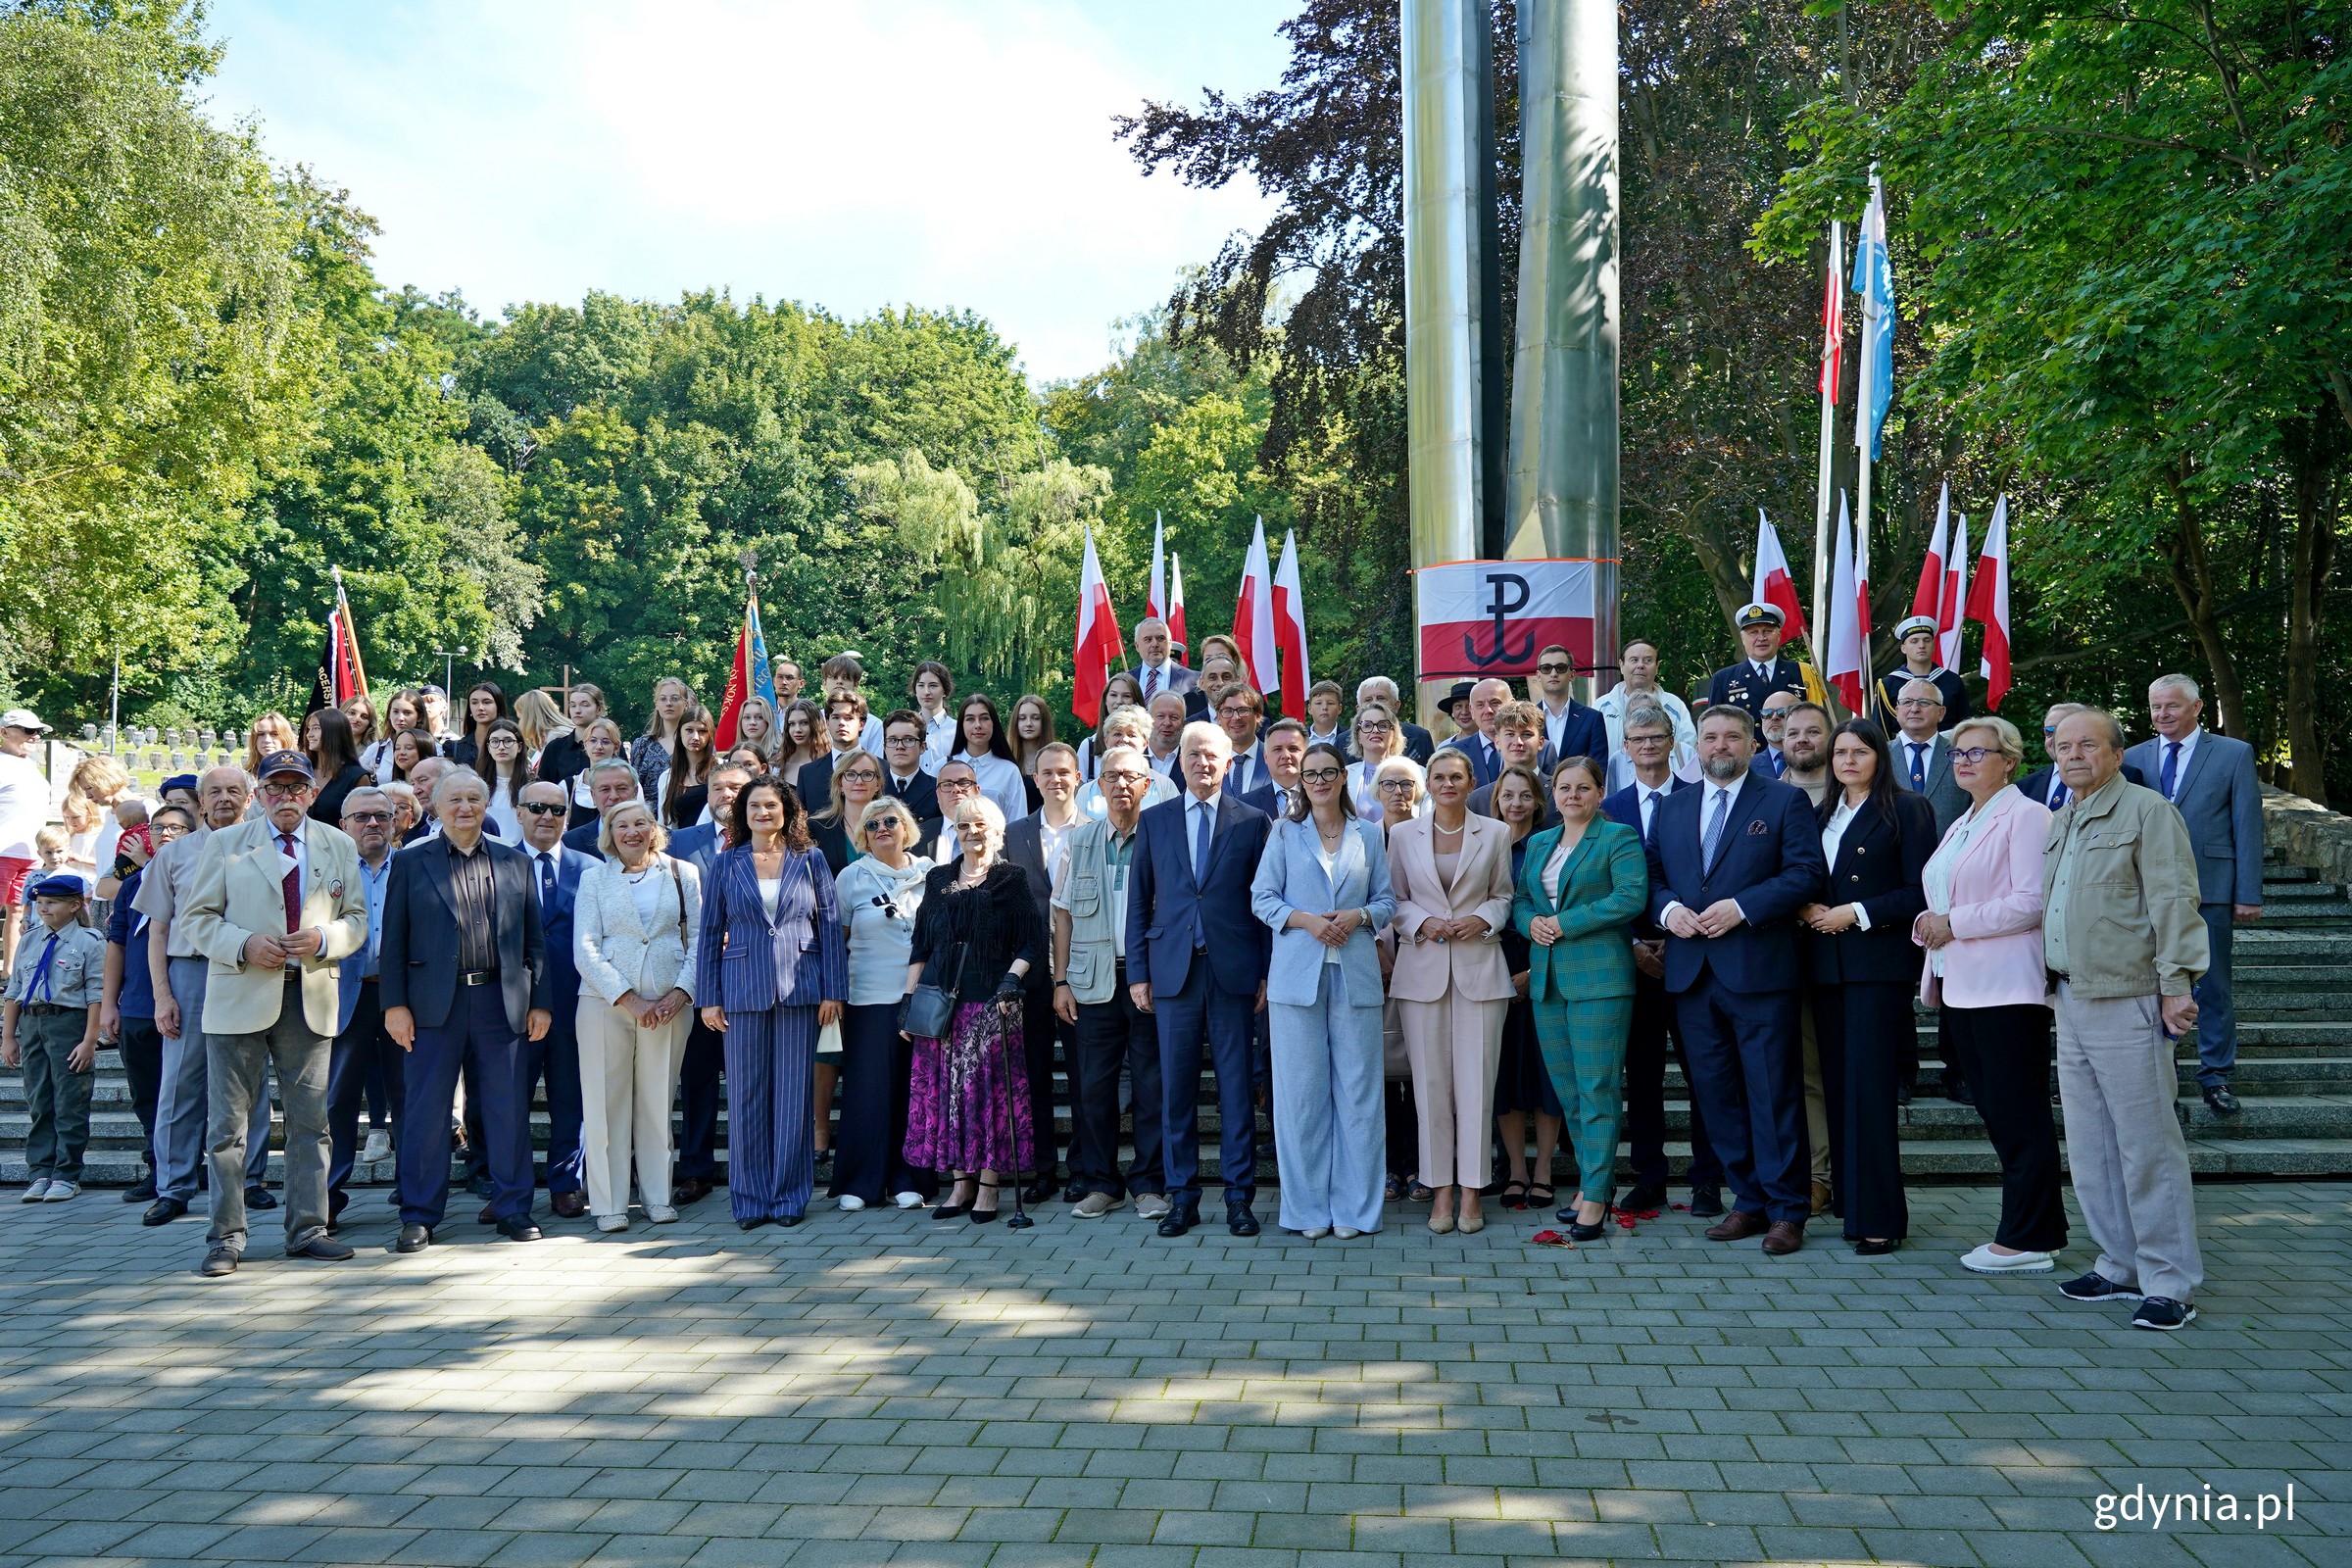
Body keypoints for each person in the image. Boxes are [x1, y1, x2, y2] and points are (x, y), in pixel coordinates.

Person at [2042, 708, 2209, 1331]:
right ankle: (2119, 1264)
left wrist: (2176, 987)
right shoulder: (2064, 819)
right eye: (2064, 747)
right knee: (2092, 1147)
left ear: (2116, 753)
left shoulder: (2148, 811)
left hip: (2131, 996)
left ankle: (2169, 1280)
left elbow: (2173, 900)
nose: (2074, 755)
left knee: (2147, 1147)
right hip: (2071, 997)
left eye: (2088, 745)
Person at [176, 750, 368, 1277]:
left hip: (308, 999)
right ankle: (225, 1237)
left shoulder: (339, 844)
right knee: (227, 1128)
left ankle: (308, 1229)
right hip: (240, 994)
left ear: (311, 793)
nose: (287, 797)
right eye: (275, 788)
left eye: (296, 788)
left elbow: (356, 917)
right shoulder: (225, 844)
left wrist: (325, 937)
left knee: (312, 1123)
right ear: (259, 795)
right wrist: (242, 944)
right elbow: (195, 918)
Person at [1646, 706, 1827, 1255]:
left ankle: (1787, 1210)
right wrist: (1667, 909)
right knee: (1716, 1097)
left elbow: (1805, 873)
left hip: (1758, 971)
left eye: (1731, 737)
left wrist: (1743, 907)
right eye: (1710, 738)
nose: (1720, 746)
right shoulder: (1674, 807)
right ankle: (1746, 1202)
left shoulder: (1783, 799)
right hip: (1691, 974)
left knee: (1773, 1094)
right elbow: (1652, 874)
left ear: (1752, 745)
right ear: (1694, 746)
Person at [1912, 715, 2065, 1276]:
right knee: (1997, 1111)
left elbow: (2032, 901)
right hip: (1961, 985)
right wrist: (1932, 924)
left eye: (1979, 753)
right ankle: (2034, 1229)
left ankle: (2028, 1237)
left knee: (2018, 1112)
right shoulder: (1963, 822)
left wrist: (1955, 922)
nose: (1965, 761)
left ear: (2010, 760)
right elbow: (1940, 897)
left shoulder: (2026, 816)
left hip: (2006, 988)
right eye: (1958, 754)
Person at [380, 771, 554, 1252]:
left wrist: (540, 1002)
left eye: (474, 799)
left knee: (507, 1110)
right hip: (433, 1006)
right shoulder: (411, 863)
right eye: (454, 799)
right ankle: (419, 1214)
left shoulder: (514, 862)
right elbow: (392, 941)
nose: (465, 807)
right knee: (425, 1113)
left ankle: (514, 1207)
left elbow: (534, 942)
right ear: (434, 806)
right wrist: (394, 1005)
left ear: (487, 806)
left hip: (502, 1002)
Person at [1126, 721, 1274, 1238]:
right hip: (1172, 972)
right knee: (1176, 1090)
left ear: (1228, 763)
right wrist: (1138, 972)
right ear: (1180, 761)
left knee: (1235, 1088)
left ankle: (1239, 1198)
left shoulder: (1253, 821)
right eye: (1194, 755)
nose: (1202, 763)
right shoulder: (1155, 820)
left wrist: (1265, 972)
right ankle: (1182, 1197)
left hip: (1233, 972)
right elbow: (1138, 900)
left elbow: (1264, 903)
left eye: (1212, 756)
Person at [1249, 741, 1396, 1239]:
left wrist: (1360, 916)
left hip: (1354, 975)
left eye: (1327, 772)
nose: (1318, 781)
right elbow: (1261, 898)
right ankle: (1308, 1211)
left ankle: (1356, 1210)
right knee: (1302, 1098)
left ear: (1341, 777)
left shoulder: (1369, 833)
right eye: (1309, 774)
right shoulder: (1284, 833)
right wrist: (1307, 920)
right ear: (1301, 781)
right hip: (1297, 979)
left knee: (1359, 1096)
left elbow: (1386, 901)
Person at [1797, 719, 1934, 1255]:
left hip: (1875, 967)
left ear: (1880, 756)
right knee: (1837, 1091)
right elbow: (1804, 877)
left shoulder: (1907, 808)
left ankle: (1881, 1216)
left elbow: (1919, 890)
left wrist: (1854, 913)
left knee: (1871, 1091)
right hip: (1824, 969)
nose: (1848, 761)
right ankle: (1853, 1204)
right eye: (1840, 752)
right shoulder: (1819, 815)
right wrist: (1805, 905)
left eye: (1860, 751)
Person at [696, 777, 846, 1229]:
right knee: (745, 1098)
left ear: (787, 811)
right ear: (743, 813)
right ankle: (749, 1199)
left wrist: (834, 991)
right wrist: (708, 998)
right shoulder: (726, 863)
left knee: (793, 1099)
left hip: (801, 990)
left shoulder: (811, 859)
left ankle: (788, 1198)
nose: (763, 812)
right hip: (741, 990)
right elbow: (707, 935)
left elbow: (831, 927)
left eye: (771, 805)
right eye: (754, 805)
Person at [1516, 755, 1649, 1240]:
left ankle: (1595, 1194)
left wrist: (1563, 923)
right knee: (1571, 1094)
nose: (1572, 795)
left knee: (1597, 1090)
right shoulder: (1540, 842)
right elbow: (1522, 900)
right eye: (1564, 788)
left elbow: (1630, 897)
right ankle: (1596, 1183)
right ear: (1553, 795)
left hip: (1599, 980)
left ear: (1599, 793)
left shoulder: (1618, 837)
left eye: (1582, 788)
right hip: (1548, 981)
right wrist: (1529, 922)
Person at [133, 767, 272, 1225]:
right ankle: (173, 1186)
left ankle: (250, 1180)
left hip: (247, 970)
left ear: (250, 797)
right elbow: (156, 931)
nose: (225, 798)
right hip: (190, 974)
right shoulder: (175, 855)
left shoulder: (269, 844)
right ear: (200, 800)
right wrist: (161, 996)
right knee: (179, 1084)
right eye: (215, 791)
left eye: (235, 790)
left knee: (248, 1079)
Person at [1387, 747, 1515, 1234]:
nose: (1446, 784)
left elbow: (1504, 895)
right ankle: (1440, 1191)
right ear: (1427, 783)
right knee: (1431, 1091)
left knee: (1476, 1090)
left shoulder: (1496, 832)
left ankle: (1472, 1194)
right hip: (1422, 972)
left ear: (1469, 781)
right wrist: (1424, 923)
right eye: (1438, 776)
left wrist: (1481, 918)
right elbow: (1393, 899)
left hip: (1480, 969)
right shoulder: (1401, 834)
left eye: (1456, 776)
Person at [897, 796, 1042, 1223]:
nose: (972, 833)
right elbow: (921, 943)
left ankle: (990, 1184)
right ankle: (961, 1183)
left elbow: (1032, 940)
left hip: (992, 1001)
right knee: (946, 1093)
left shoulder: (1010, 879)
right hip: (939, 1004)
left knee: (986, 1095)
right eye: (963, 826)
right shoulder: (939, 877)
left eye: (980, 825)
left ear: (997, 831)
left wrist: (1011, 981)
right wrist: (908, 1001)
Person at [2126, 673, 2264, 1116]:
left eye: (2172, 706)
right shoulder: (2132, 757)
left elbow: (2247, 825)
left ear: (2197, 707)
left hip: (2211, 888)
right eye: (2155, 707)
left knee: (2213, 984)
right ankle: (2155, 1074)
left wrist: (2248, 893)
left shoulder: (2233, 754)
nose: (2162, 715)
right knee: (2148, 983)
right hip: (2145, 889)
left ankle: (2215, 1076)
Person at [1600, 703, 1714, 1215]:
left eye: (1656, 737)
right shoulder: (1609, 807)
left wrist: (1679, 936)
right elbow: (1598, 885)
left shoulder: (1702, 801)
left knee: (1702, 1072)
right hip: (1631, 958)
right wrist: (1634, 944)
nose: (1647, 746)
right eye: (1637, 738)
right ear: (1625, 746)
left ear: (1673, 742)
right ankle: (1650, 1175)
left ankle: (1708, 1178)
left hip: (1692, 953)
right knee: (1641, 1076)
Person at [570, 800, 700, 1232]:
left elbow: (699, 938)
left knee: (657, 1099)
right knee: (605, 1104)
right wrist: (629, 998)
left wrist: (682, 992)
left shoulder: (683, 873)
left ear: (653, 829)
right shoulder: (593, 878)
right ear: (610, 832)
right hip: (605, 1003)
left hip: (669, 1004)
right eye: (621, 825)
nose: (631, 832)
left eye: (640, 823)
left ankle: (657, 1196)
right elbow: (585, 947)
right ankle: (608, 1204)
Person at [1053, 746, 1168, 1221]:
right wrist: (1060, 982)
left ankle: (1148, 1184)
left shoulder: (1163, 838)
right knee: (1093, 1089)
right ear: (1097, 786)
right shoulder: (1078, 841)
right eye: (1111, 777)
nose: (1121, 785)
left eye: (1131, 777)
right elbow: (1060, 915)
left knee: (1151, 1085)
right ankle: (1103, 1184)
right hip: (1091, 981)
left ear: (1147, 784)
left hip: (1149, 982)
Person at [830, 797, 933, 1211]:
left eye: (891, 821)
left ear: (906, 827)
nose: (883, 829)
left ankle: (908, 1177)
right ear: (863, 837)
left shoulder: (933, 875)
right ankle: (861, 1181)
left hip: (923, 998)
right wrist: (833, 995)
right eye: (873, 825)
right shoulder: (851, 877)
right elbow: (837, 942)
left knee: (914, 1090)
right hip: (868, 998)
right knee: (868, 1091)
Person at [665, 760, 753, 1206]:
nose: (726, 795)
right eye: (718, 787)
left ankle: (750, 1168)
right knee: (697, 1080)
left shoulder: (770, 844)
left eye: (737, 787)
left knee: (750, 1082)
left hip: (754, 982)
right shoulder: (680, 843)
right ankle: (695, 1170)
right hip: (697, 983)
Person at [1002, 742, 1084, 1202]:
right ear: (1035, 780)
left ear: (1077, 777)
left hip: (1083, 970)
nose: (1055, 779)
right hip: (1028, 969)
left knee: (1081, 1073)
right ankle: (1041, 1170)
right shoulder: (1014, 833)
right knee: (1031, 1075)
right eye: (1046, 772)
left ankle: (1082, 1167)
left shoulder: (1095, 830)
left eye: (1063, 772)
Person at [102, 804, 195, 1202]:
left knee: (189, 1091)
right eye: (159, 828)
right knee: (146, 1092)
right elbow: (116, 945)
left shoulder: (203, 876)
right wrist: (109, 1004)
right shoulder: (132, 884)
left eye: (177, 827)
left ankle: (190, 1166)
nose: (167, 834)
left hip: (189, 1000)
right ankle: (157, 1167)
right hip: (138, 1005)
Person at [1485, 764, 1560, 1212]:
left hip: (1545, 967)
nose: (1515, 804)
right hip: (1492, 969)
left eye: (1524, 796)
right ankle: (1514, 1169)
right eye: (1507, 795)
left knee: (1547, 1077)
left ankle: (1545, 1170)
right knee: (1505, 1079)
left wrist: (1534, 972)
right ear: (1497, 799)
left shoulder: (1551, 846)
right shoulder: (1486, 843)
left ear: (1537, 801)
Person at [513, 780, 588, 1218]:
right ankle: (510, 1186)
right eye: (537, 807)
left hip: (574, 1002)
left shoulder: (591, 867)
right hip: (511, 1004)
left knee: (569, 1098)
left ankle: (565, 1184)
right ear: (519, 811)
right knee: (507, 1098)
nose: (547, 816)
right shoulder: (498, 863)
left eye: (557, 810)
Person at [324, 788, 401, 1223]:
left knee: (409, 1097)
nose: (372, 824)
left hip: (399, 997)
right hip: (342, 995)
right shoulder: (327, 871)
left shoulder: (412, 867)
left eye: (381, 817)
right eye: (361, 817)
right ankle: (327, 1198)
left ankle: (413, 1190)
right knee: (337, 1101)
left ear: (395, 822)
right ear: (344, 825)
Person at [5, 874, 105, 1202]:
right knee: (39, 1100)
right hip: (32, 1024)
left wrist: (90, 1040)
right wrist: (9, 1036)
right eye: (39, 902)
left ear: (74, 905)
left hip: (69, 1023)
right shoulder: (31, 940)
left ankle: (66, 1173)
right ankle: (40, 1171)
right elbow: (15, 992)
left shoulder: (90, 941)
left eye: (52, 902)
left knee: (70, 1100)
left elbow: (96, 995)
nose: (43, 908)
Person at [2018, 702, 2148, 808]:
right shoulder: (2025, 786)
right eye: (2049, 731)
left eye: (2065, 728)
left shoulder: (2130, 779)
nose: (2055, 738)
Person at [1889, 679, 1970, 836]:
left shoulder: (1962, 755)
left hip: (1949, 855)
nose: (1914, 709)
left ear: (1941, 713)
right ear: (1897, 710)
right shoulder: (1878, 755)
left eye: (1924, 702)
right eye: (1907, 702)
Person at [1596, 638, 1698, 760]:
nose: (1640, 665)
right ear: (1622, 665)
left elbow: (1689, 751)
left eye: (1647, 660)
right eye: (1634, 660)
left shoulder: (1675, 705)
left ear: (1657, 666)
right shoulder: (1602, 706)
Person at [1705, 603, 1808, 715]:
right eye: (1753, 632)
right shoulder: (1723, 679)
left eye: (1768, 631)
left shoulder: (1801, 673)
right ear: (1742, 638)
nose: (1761, 638)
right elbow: (1714, 726)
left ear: (1779, 635)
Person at [1074, 707, 1177, 820]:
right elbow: (1078, 834)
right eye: (1117, 734)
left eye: (1132, 735)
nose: (1124, 740)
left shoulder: (1165, 786)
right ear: (1106, 741)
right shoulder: (1086, 792)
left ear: (1145, 743)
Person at [946, 695, 1032, 823]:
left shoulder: (1009, 771)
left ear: (994, 723)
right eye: (970, 719)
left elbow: (1018, 822)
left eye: (984, 718)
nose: (977, 725)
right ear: (961, 725)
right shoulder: (943, 767)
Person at [1468, 703, 1556, 826]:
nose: (1518, 742)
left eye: (1526, 734)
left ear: (1541, 742)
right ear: (1497, 742)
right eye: (1510, 734)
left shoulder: (1559, 793)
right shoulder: (1477, 800)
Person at [1877, 613, 1971, 723]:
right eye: (1914, 641)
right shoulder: (1889, 684)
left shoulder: (1951, 681)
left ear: (1933, 646)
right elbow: (1880, 730)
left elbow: (1965, 724)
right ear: (1903, 648)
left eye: (1926, 640)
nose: (1921, 645)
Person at [1526, 645, 1608, 762]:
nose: (1553, 673)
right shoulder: (1526, 719)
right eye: (1546, 668)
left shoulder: (1592, 719)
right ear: (1538, 675)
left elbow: (1598, 769)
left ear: (1572, 675)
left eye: (1560, 668)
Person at [794, 690, 873, 812]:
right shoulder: (808, 773)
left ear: (861, 724)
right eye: (836, 717)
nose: (841, 723)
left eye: (849, 718)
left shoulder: (882, 769)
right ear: (827, 723)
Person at [809, 748, 886, 875]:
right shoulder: (816, 828)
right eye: (851, 774)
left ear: (878, 784)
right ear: (840, 784)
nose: (859, 782)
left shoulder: (890, 826)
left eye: (867, 774)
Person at [654, 704, 717, 831]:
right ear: (680, 733)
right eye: (689, 730)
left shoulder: (722, 769)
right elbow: (665, 825)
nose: (695, 737)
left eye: (702, 731)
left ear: (710, 734)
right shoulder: (667, 777)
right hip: (682, 845)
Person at [632, 676, 695, 804]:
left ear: (686, 704)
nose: (668, 703)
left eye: (675, 698)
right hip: (649, 818)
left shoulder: (696, 741)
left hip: (689, 816)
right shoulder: (642, 745)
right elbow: (633, 786)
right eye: (663, 699)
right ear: (656, 704)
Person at [1440, 678, 1513, 786]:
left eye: (1495, 703)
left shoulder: (1538, 750)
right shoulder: (1450, 754)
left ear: (1512, 705)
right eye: (1480, 705)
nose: (1488, 710)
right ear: (1472, 710)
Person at [301, 710, 368, 827]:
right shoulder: (302, 772)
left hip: (338, 843)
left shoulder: (356, 777)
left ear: (334, 732)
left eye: (316, 728)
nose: (309, 735)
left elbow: (363, 822)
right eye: (309, 729)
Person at [564, 760, 644, 858]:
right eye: (605, 789)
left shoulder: (662, 839)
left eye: (622, 788)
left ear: (635, 792)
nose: (613, 796)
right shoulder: (570, 843)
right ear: (593, 796)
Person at [815, 652, 889, 756]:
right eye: (834, 677)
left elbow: (876, 764)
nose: (839, 682)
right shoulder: (815, 720)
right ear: (824, 682)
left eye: (846, 678)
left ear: (856, 684)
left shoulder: (873, 725)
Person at [533, 683, 606, 786]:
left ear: (599, 709)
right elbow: (543, 785)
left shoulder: (610, 745)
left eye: (585, 705)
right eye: (573, 705)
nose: (577, 710)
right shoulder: (555, 747)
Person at [1075, 674, 1146, 779]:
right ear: (1105, 700)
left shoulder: (1148, 745)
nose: (1119, 701)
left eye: (1126, 696)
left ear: (1136, 702)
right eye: (1113, 695)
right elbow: (1079, 792)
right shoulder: (1089, 746)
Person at [473, 716, 532, 842]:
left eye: (508, 741)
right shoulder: (476, 785)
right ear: (488, 747)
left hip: (519, 855)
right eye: (495, 741)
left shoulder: (532, 786)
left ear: (520, 746)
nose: (501, 747)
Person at [564, 717, 629, 831]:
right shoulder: (568, 785)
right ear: (585, 745)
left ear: (616, 746)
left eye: (605, 742)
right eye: (593, 741)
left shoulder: (630, 784)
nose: (599, 746)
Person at [1346, 702, 1407, 821]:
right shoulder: (1344, 776)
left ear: (1393, 734)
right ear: (1358, 736)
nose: (1375, 730)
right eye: (1367, 726)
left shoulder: (1416, 773)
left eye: (1383, 725)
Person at [1238, 717, 1308, 820]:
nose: (1286, 755)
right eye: (1277, 749)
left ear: (1306, 754)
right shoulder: (1246, 804)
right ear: (1266, 757)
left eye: (1293, 748)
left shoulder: (1322, 796)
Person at [1354, 676, 1437, 764]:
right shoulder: (1342, 741)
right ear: (1358, 709)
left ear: (1396, 705)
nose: (1375, 703)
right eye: (1368, 700)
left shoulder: (1420, 736)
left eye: (1381, 698)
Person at [1128, 617, 1200, 710]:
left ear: (1170, 643)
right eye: (1148, 639)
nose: (1154, 644)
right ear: (1137, 646)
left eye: (1160, 638)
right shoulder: (1126, 680)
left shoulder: (1194, 680)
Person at [1216, 686, 1273, 796]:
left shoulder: (1274, 759)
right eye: (1228, 711)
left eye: (1243, 710)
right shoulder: (1209, 761)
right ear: (1218, 717)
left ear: (1258, 715)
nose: (1236, 717)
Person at [443, 681, 509, 770]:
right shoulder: (454, 747)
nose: (480, 708)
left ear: (498, 706)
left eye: (487, 702)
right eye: (474, 703)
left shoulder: (511, 743)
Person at [925, 760, 980, 866]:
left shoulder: (994, 833)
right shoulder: (920, 835)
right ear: (937, 795)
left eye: (963, 783)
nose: (956, 789)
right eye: (947, 784)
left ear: (977, 791)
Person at [365, 690, 426, 782]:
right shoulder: (376, 749)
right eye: (396, 712)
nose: (400, 718)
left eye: (407, 713)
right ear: (389, 714)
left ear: (419, 717)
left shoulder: (433, 747)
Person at [908, 660, 959, 769]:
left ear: (945, 690)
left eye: (933, 686)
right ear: (915, 689)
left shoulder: (958, 730)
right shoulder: (906, 730)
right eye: (921, 685)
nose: (926, 692)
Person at [774, 699, 828, 796]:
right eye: (792, 724)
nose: (797, 730)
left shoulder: (830, 762)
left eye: (804, 723)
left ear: (816, 725)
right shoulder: (778, 765)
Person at [1008, 694, 1056, 784]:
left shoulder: (1057, 759)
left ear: (1045, 722)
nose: (1028, 724)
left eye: (1036, 718)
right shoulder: (1005, 760)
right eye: (1022, 718)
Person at [513, 688, 565, 767]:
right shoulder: (547, 737)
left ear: (530, 717)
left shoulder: (556, 738)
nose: (519, 723)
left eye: (520, 718)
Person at [729, 695, 782, 771]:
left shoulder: (781, 757)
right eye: (747, 717)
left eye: (759, 717)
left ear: (768, 721)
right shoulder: (731, 757)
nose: (752, 723)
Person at [1144, 691, 1189, 778]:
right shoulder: (1134, 757)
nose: (1167, 723)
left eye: (1174, 717)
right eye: (1160, 716)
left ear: (1184, 724)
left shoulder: (1192, 760)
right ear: (1148, 720)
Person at [1752, 691, 1797, 779]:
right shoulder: (1747, 768)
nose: (1774, 717)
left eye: (1783, 713)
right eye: (1767, 713)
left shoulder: (1818, 758)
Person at [1303, 679, 1347, 750]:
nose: (1324, 708)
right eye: (1318, 703)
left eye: (1330, 703)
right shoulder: (1300, 738)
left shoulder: (1349, 738)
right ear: (1309, 708)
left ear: (1339, 708)